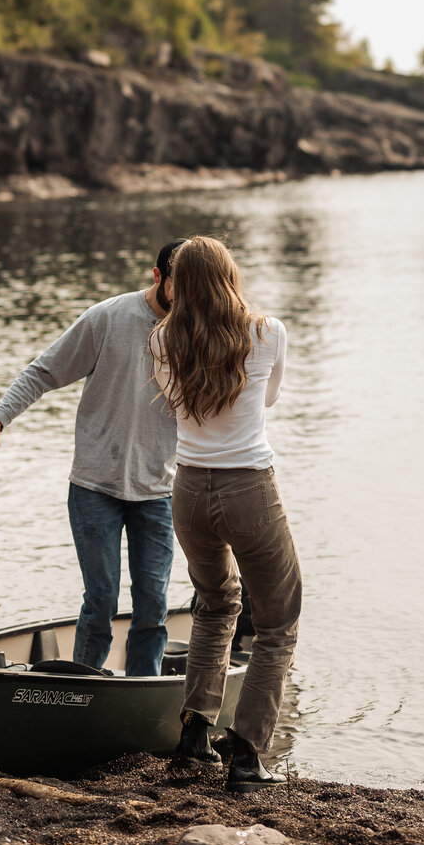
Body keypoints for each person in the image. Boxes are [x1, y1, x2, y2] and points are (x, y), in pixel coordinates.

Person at [0, 240, 185, 677]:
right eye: (180, 285)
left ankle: (142, 693)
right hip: (94, 487)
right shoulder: (107, 317)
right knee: (101, 599)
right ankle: (79, 690)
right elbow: (43, 371)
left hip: (158, 490)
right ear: (158, 276)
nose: (188, 300)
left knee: (152, 603)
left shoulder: (196, 329)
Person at [150, 235, 302, 788]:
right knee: (278, 618)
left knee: (215, 606)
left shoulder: (162, 339)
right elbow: (266, 401)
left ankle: (193, 736)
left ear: (178, 284)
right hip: (249, 490)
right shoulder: (267, 332)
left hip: (189, 491)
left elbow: (177, 401)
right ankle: (246, 753)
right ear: (230, 276)